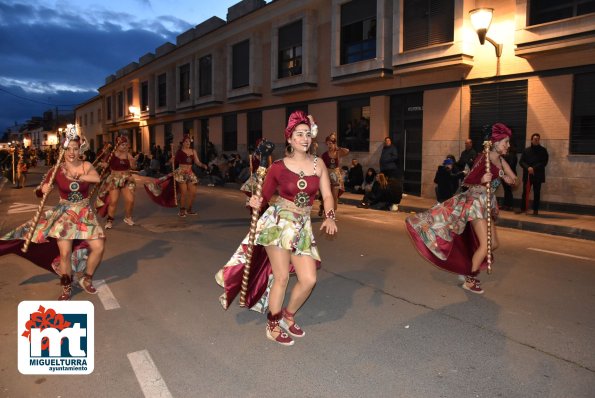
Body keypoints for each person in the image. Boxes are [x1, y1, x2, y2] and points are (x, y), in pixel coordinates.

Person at [215, 110, 337, 346]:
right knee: (280, 277)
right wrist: (253, 202)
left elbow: (328, 195)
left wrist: (330, 216)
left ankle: (287, 316)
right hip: (279, 224)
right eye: (299, 134)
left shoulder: (318, 163)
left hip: (302, 226)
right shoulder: (278, 167)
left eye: (307, 134)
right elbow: (263, 199)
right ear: (290, 139)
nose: (304, 139)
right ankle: (272, 324)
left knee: (309, 279)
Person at [406, 123, 517, 294]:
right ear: (495, 142)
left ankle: (466, 268)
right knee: (486, 245)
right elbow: (468, 180)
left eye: (508, 142)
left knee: (493, 244)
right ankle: (470, 278)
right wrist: (481, 180)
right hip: (476, 203)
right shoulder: (483, 158)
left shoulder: (501, 160)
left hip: (487, 204)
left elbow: (515, 180)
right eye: (506, 142)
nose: (508, 145)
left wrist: (505, 177)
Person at [0, 130, 105, 300]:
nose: (72, 153)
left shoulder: (86, 165)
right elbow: (39, 191)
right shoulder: (56, 169)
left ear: (80, 150)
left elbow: (97, 179)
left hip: (84, 213)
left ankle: (87, 278)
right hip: (64, 214)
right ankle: (66, 285)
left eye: (75, 149)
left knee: (99, 247)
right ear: (63, 150)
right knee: (64, 253)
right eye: (69, 148)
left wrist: (80, 175)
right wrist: (43, 189)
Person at [97, 137, 137, 229]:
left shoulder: (128, 155)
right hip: (115, 179)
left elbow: (133, 167)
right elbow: (104, 164)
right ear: (117, 145)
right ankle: (110, 220)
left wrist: (133, 162)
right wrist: (104, 165)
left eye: (126, 145)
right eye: (122, 145)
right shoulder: (112, 155)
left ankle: (128, 217)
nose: (124, 146)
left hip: (127, 178)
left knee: (130, 200)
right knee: (113, 201)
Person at [172, 134, 209, 217]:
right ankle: (182, 210)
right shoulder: (179, 151)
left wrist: (203, 165)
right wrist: (171, 160)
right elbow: (174, 161)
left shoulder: (193, 151)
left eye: (189, 141)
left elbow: (197, 162)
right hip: (181, 172)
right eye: (186, 141)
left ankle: (188, 209)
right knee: (184, 192)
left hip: (189, 172)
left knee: (193, 192)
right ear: (183, 143)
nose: (188, 143)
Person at [320, 132, 349, 215]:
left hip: (335, 175)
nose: (329, 145)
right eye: (327, 144)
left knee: (335, 196)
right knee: (327, 195)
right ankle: (325, 210)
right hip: (327, 175)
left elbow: (347, 151)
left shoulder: (338, 153)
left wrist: (338, 148)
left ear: (334, 144)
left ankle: (332, 213)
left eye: (331, 143)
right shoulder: (325, 155)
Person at [519, 133, 548, 215]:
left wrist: (533, 168)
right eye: (534, 139)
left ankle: (535, 210)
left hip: (538, 175)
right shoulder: (526, 150)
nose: (536, 140)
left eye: (537, 139)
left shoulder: (543, 150)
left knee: (537, 193)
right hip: (527, 174)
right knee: (525, 192)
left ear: (539, 140)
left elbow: (544, 162)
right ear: (531, 140)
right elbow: (521, 162)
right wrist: (528, 167)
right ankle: (523, 208)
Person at [501, 143, 517, 210]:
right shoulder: (507, 155)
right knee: (507, 190)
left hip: (509, 175)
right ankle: (506, 205)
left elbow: (511, 166)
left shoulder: (512, 155)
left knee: (508, 190)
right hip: (506, 175)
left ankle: (509, 206)